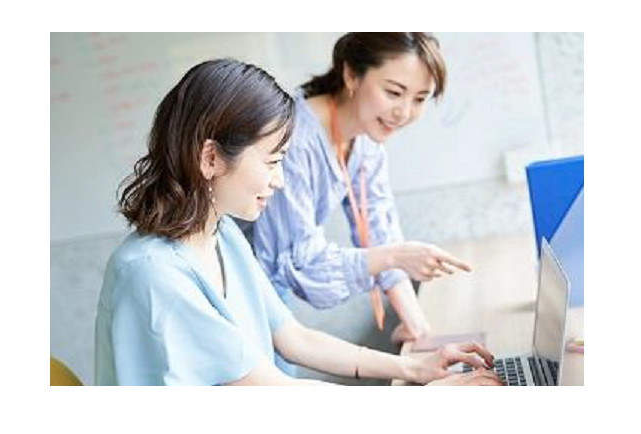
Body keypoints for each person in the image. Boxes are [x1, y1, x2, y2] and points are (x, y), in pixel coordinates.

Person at [94, 58, 501, 386]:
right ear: (211, 158)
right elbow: (273, 390)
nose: (280, 180)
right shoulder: (153, 273)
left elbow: (295, 339)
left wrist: (415, 367)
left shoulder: (223, 235)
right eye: (272, 162)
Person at [253, 33, 472, 344]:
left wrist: (417, 326)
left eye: (420, 99)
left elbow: (380, 230)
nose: (404, 112)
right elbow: (305, 267)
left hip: (269, 293)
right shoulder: (295, 141)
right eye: (394, 92)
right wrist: (396, 256)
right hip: (232, 291)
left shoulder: (366, 138)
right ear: (351, 75)